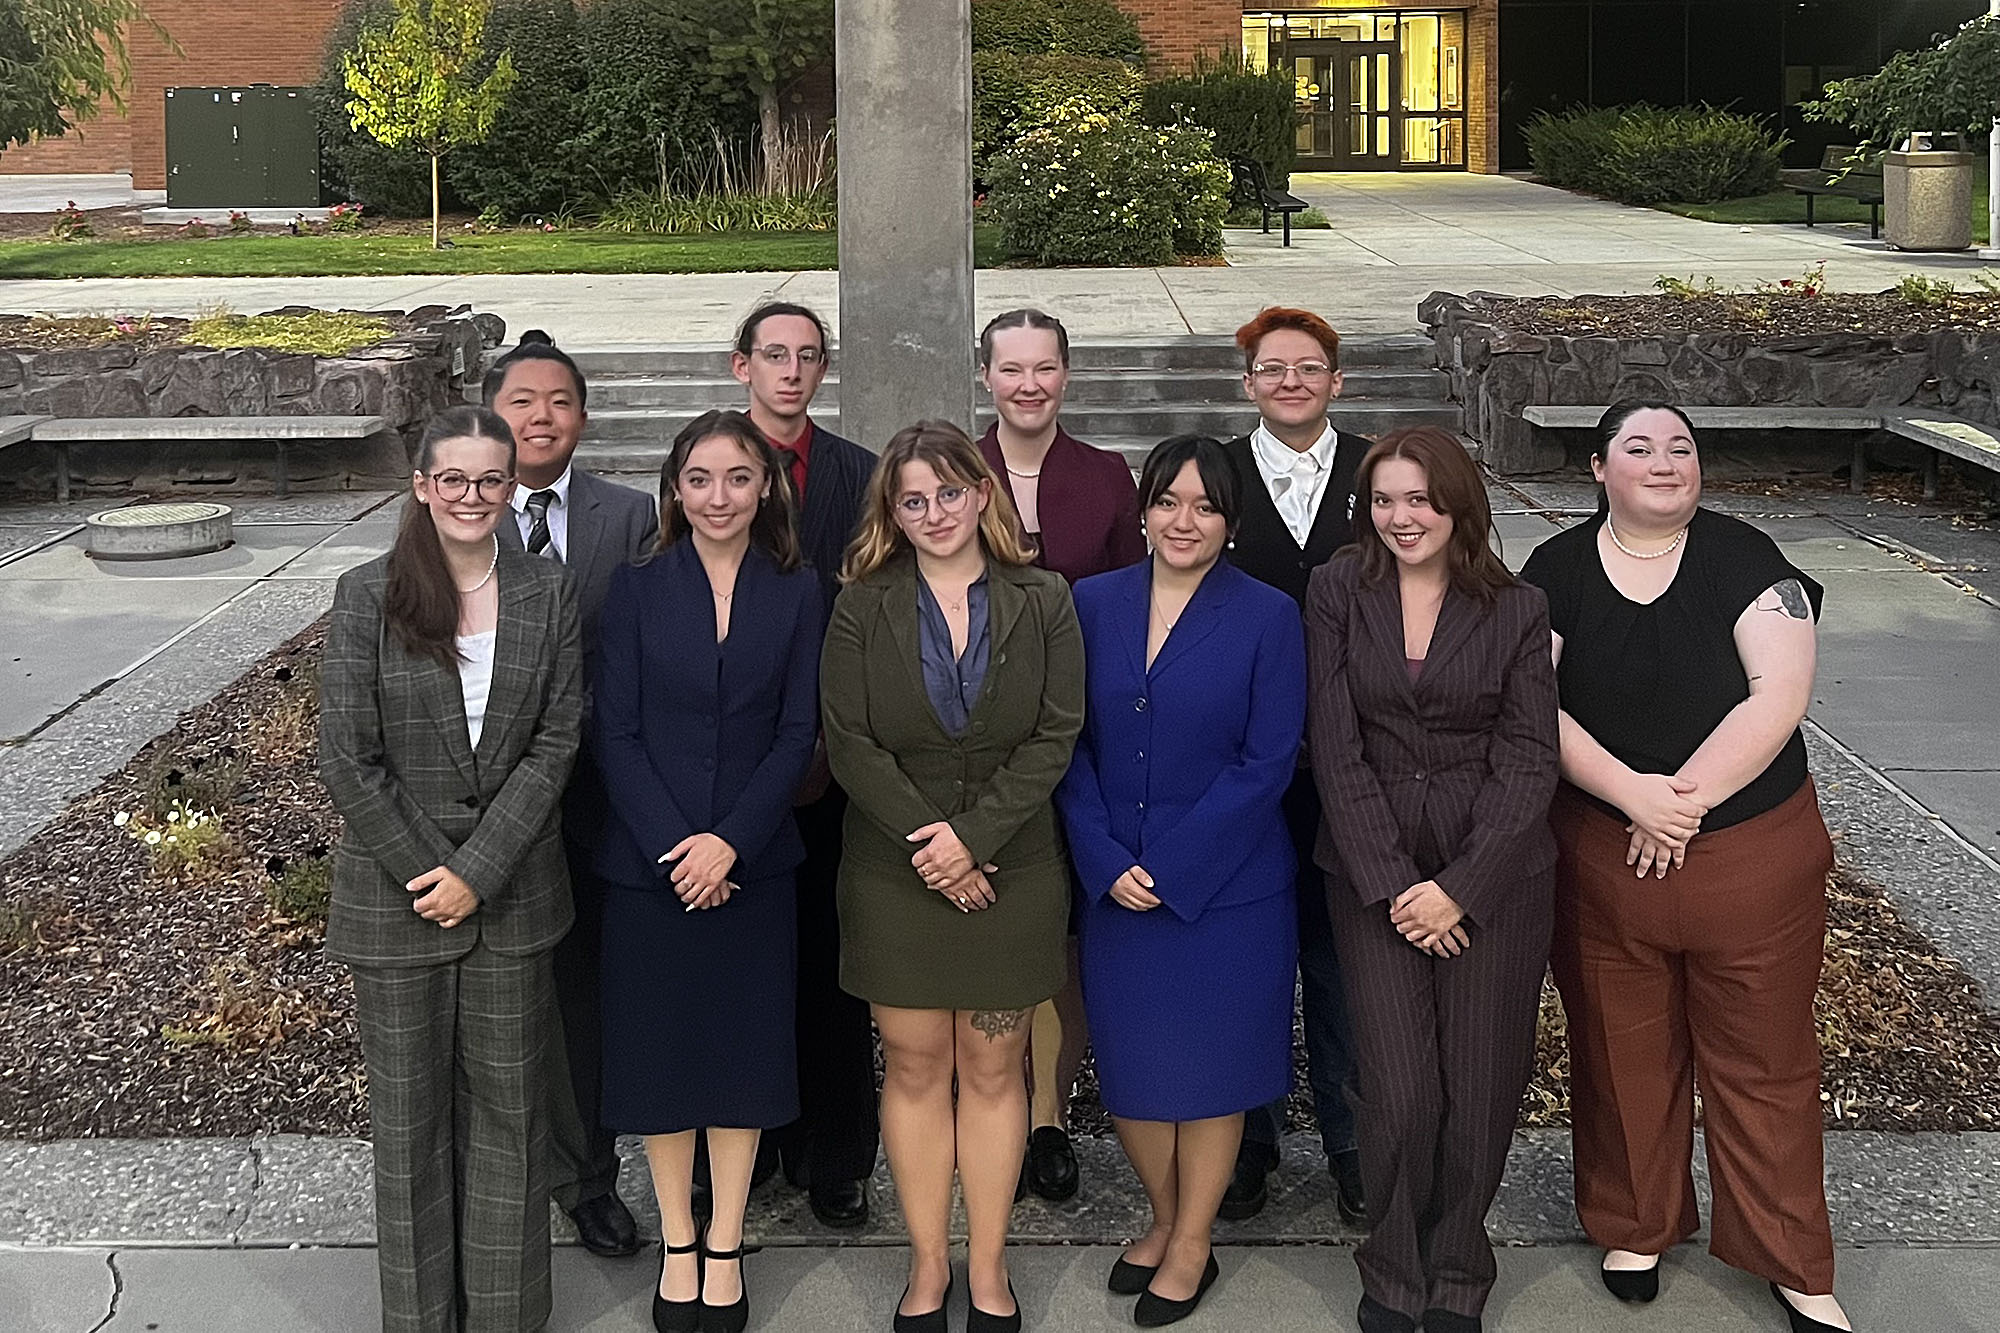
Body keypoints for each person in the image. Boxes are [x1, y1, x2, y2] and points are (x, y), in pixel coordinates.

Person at [1518, 402, 1852, 1333]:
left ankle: (1793, 1257)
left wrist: (1681, 799)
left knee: (1764, 1060)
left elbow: (1778, 694)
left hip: (1750, 855)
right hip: (1602, 853)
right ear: (1597, 468)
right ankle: (1637, 1221)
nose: (1665, 463)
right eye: (1639, 447)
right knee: (1620, 1049)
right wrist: (1633, 794)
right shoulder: (1556, 569)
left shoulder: (1747, 560)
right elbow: (1528, 701)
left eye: (1681, 448)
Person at [319, 405, 582, 1332]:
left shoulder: (549, 591)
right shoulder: (367, 594)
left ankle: (509, 1316)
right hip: (398, 908)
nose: (473, 496)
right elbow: (348, 756)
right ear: (423, 486)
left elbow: (557, 741)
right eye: (454, 479)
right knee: (410, 1131)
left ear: (514, 488)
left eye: (492, 480)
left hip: (512, 902)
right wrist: (431, 871)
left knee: (512, 1127)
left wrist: (480, 868)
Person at [821, 421, 1084, 1333]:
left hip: (1014, 869)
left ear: (982, 492)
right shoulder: (861, 603)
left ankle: (990, 1266)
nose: (933, 512)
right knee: (917, 1065)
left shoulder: (1044, 597)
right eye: (912, 499)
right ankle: (929, 1266)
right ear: (893, 512)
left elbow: (1056, 731)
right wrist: (935, 848)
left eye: (948, 492)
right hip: (897, 875)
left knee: (996, 1063)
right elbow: (850, 740)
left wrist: (972, 839)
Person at [1305, 428, 1560, 1333]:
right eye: (1384, 500)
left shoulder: (1519, 607)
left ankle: (1457, 1265)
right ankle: (1392, 1261)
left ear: (1457, 505)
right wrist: (1397, 883)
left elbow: (1531, 756)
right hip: (1372, 877)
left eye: (1419, 499)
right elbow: (1334, 746)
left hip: (1495, 878)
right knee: (1400, 1088)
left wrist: (1462, 885)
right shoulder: (1339, 588)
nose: (1400, 517)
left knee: (1482, 1084)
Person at [1057, 435, 1305, 1328]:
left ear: (1231, 521)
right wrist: (1103, 856)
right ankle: (1162, 1217)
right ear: (1145, 510)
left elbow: (1267, 759)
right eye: (1168, 501)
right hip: (1114, 881)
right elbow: (1067, 743)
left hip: (1225, 892)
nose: (1183, 520)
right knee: (1131, 1074)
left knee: (1210, 1075)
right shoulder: (1089, 602)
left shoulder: (1269, 615)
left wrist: (1173, 865)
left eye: (1204, 505)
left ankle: (1193, 1238)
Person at [591, 411, 823, 1333]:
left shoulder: (800, 588)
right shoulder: (637, 585)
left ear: (766, 485)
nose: (718, 497)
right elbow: (617, 730)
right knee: (662, 1063)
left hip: (755, 866)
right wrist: (680, 847)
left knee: (740, 1059)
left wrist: (731, 842)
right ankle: (676, 1237)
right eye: (699, 479)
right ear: (674, 488)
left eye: (737, 477)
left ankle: (726, 1237)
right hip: (652, 869)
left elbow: (797, 732)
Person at [484, 330, 658, 1260]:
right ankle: (545, 1173)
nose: (541, 416)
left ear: (583, 418)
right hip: (489, 800)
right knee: (526, 996)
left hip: (603, 794)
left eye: (558, 401)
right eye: (522, 401)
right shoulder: (455, 512)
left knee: (595, 986)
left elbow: (644, 649)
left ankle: (618, 1165)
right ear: (491, 416)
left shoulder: (628, 517)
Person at [975, 306, 1147, 1203]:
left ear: (1066, 376)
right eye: (1012, 369)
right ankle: (993, 1098)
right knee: (1007, 921)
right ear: (987, 377)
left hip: (1085, 741)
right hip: (985, 746)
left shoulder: (1107, 475)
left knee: (1071, 934)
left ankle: (1049, 1114)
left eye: (1044, 368)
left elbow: (1127, 606)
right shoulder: (957, 474)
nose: (1029, 385)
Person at [728, 300, 882, 1229]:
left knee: (830, 967)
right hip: (729, 771)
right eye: (774, 355)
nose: (791, 371)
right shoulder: (706, 464)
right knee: (741, 965)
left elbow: (873, 619)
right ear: (740, 363)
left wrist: (832, 743)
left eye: (808, 357)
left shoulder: (861, 476)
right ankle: (749, 1141)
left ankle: (834, 1152)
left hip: (832, 767)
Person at [1218, 306, 1372, 1223]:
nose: (1290, 382)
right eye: (1271, 369)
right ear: (1247, 384)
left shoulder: (1381, 476)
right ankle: (1249, 1140)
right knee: (1253, 953)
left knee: (1343, 957)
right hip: (1242, 768)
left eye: (1308, 368)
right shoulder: (1216, 478)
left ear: (1336, 381)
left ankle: (1354, 1143)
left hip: (1354, 768)